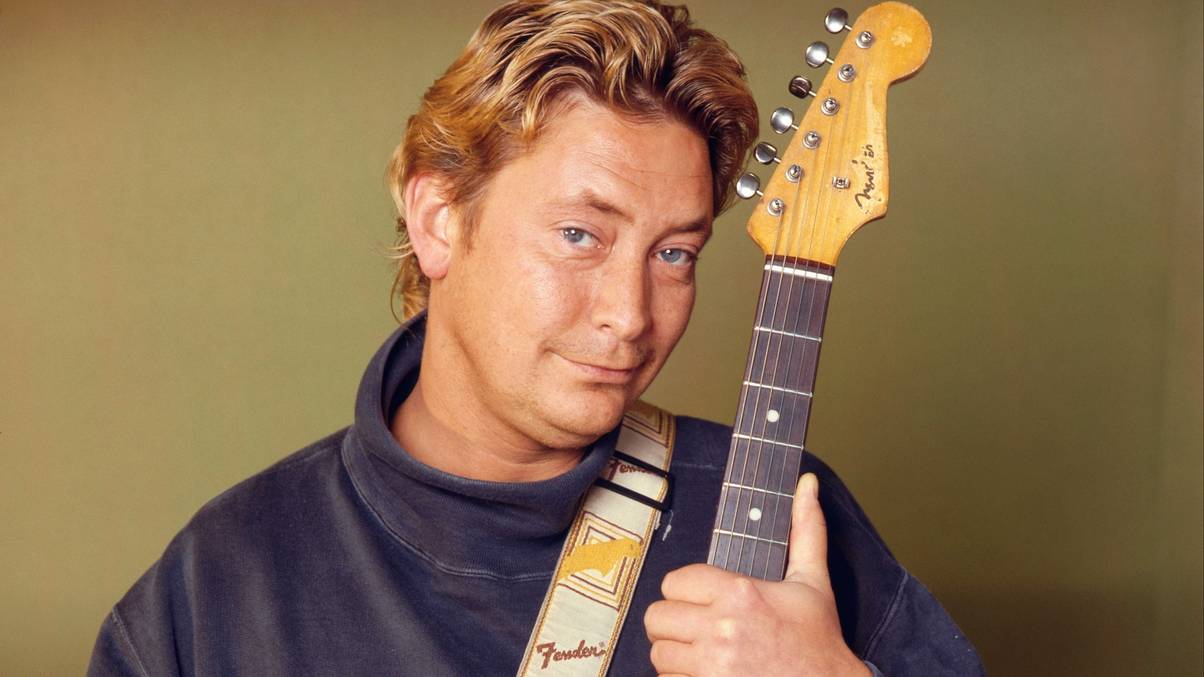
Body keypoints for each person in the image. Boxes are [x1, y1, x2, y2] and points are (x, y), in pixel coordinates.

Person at [88, 1, 983, 675]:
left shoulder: (786, 519)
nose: (631, 315)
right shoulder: (221, 582)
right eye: (580, 234)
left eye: (674, 253)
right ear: (439, 220)